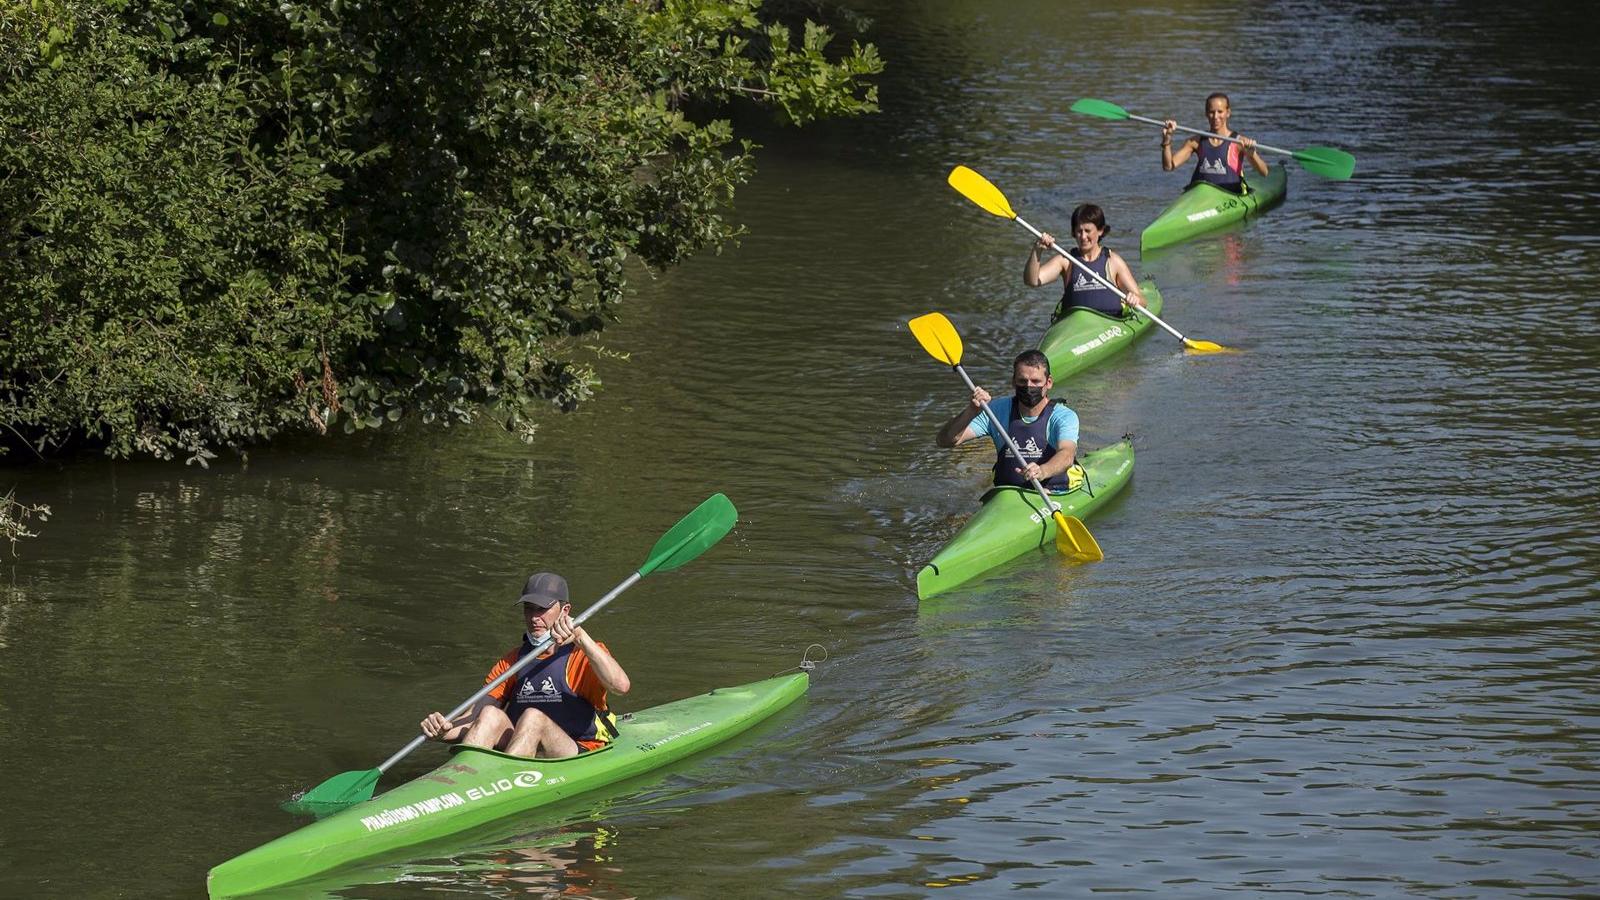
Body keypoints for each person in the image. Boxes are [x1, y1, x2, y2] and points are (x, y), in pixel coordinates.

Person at [420, 572, 630, 759]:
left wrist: (581, 638)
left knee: (533, 718)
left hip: (576, 748)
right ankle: (462, 778)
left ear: (565, 610)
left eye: (542, 609)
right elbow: (474, 717)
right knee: (490, 715)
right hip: (521, 747)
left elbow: (620, 686)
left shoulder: (585, 652)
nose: (534, 618)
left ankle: (502, 784)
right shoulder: (512, 661)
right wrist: (444, 731)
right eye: (529, 609)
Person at [936, 350, 1080, 492]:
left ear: (1048, 383)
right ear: (1013, 382)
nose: (1029, 386)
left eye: (1036, 381)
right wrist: (971, 411)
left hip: (1053, 490)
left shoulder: (1063, 416)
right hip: (1006, 493)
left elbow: (1067, 454)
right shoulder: (995, 411)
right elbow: (945, 441)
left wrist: (1042, 471)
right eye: (1022, 381)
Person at [1024, 203, 1146, 323]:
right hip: (1075, 326)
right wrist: (1037, 250)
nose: (1083, 236)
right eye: (1079, 231)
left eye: (1088, 231)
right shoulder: (1065, 261)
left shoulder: (1113, 261)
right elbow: (1032, 281)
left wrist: (1135, 299)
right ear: (1073, 233)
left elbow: (1142, 301)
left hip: (1110, 323)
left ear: (1100, 231)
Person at [1161, 92, 1270, 194]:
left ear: (1228, 113)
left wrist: (1252, 154)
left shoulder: (1239, 142)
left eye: (1220, 112)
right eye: (1212, 112)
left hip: (1230, 195)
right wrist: (1167, 138)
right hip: (1200, 196)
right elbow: (1168, 166)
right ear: (1206, 114)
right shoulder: (1196, 142)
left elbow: (1264, 172)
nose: (1216, 116)